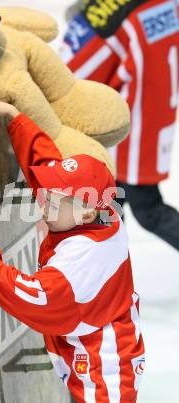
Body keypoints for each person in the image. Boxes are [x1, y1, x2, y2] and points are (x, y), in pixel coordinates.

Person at [0, 100, 145, 403]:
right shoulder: (96, 210)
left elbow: (35, 297)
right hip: (88, 339)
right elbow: (47, 167)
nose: (43, 203)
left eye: (53, 202)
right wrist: (16, 120)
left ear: (85, 214)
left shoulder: (84, 256)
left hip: (104, 363)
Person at [61, 0, 179, 250]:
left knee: (124, 211)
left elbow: (66, 79)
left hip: (122, 132)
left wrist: (82, 27)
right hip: (148, 125)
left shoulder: (110, 17)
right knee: (116, 210)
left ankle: (109, 280)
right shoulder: (163, 5)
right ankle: (111, 278)